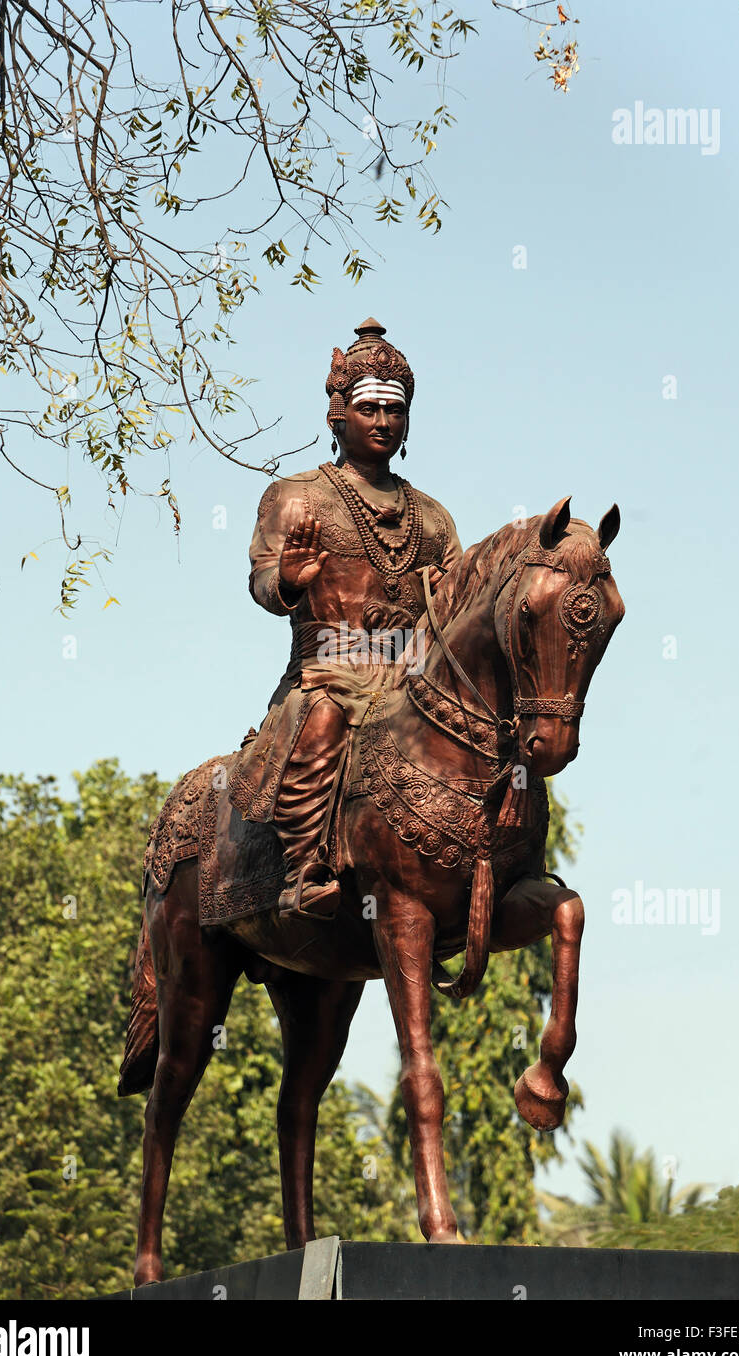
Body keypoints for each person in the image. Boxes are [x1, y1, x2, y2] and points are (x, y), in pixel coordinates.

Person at [228, 318, 462, 921]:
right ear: (339, 414)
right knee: (325, 719)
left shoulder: (433, 520)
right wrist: (287, 579)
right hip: (327, 674)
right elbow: (260, 580)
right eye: (369, 408)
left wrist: (448, 600)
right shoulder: (297, 496)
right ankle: (304, 869)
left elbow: (461, 605)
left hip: (410, 682)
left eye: (396, 410)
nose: (384, 422)